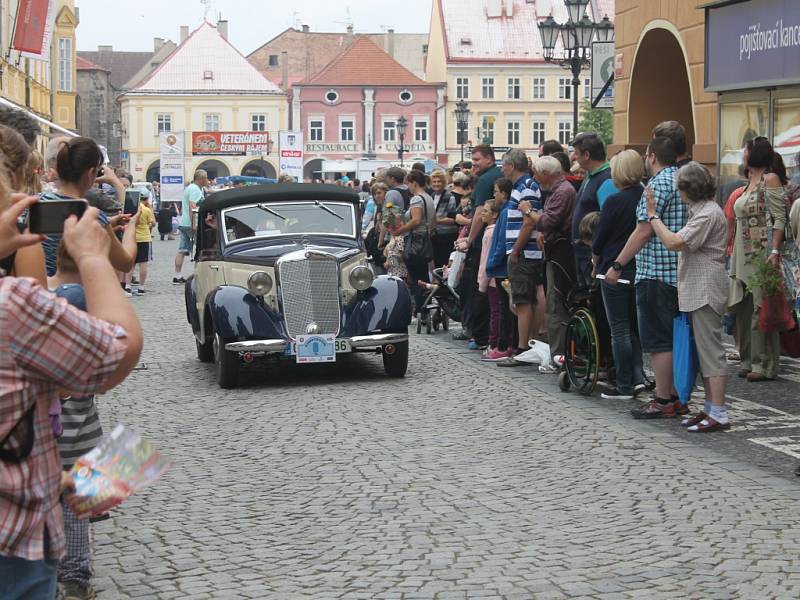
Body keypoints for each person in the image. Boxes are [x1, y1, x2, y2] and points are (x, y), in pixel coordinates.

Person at [0, 195, 143, 600]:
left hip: (46, 439)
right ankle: (77, 575)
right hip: (15, 542)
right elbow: (120, 349)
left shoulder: (46, 294)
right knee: (81, 492)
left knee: (79, 484)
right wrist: (97, 261)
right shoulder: (18, 303)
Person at [605, 136, 688, 419]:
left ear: (651, 156)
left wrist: (617, 264)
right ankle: (677, 395)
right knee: (676, 338)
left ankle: (663, 399)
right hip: (680, 272)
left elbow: (643, 231)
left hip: (656, 272)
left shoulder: (656, 185)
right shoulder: (684, 179)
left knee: (658, 340)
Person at [646, 162, 730, 431]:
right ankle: (709, 408)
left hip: (705, 289)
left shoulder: (707, 214)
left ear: (687, 189)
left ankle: (718, 412)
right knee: (704, 354)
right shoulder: (702, 211)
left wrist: (653, 216)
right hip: (698, 288)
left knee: (711, 353)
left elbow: (673, 242)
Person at [728, 137, 787, 382]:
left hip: (760, 251)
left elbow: (779, 218)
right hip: (742, 250)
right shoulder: (748, 182)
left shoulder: (769, 180)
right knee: (741, 307)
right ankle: (747, 358)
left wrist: (774, 251)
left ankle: (764, 363)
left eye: (747, 150)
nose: (743, 153)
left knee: (759, 307)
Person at [592, 149, 647, 399]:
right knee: (635, 327)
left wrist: (595, 262)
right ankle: (639, 377)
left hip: (614, 268)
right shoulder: (646, 196)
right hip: (640, 266)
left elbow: (599, 239)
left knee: (619, 328)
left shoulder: (615, 200)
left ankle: (624, 384)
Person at [41, 137, 137, 279]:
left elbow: (63, 225)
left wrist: (110, 221)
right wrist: (131, 227)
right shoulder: (93, 217)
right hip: (77, 293)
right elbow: (125, 262)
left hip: (40, 289)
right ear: (91, 173)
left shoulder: (36, 203)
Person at [519, 155, 577, 372]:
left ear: (545, 173)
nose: (534, 177)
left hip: (560, 253)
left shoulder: (562, 191)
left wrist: (527, 211)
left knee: (556, 304)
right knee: (554, 303)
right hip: (556, 250)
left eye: (536, 172)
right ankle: (558, 353)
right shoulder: (559, 190)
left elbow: (547, 221)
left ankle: (558, 355)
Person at [493, 150, 543, 366]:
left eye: (504, 165)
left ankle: (523, 348)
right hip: (523, 251)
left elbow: (529, 222)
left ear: (512, 166)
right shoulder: (522, 187)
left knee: (522, 301)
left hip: (524, 252)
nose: (502, 169)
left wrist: (515, 250)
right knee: (523, 300)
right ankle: (528, 345)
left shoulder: (526, 187)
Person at [455, 145, 501, 349]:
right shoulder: (495, 175)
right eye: (472, 160)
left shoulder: (484, 180)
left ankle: (481, 335)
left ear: (489, 159)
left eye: (477, 160)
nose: (474, 164)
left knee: (480, 287)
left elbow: (480, 211)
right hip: (495, 237)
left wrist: (470, 240)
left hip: (485, 239)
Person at [570, 133, 618, 287]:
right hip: (583, 252)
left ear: (587, 154)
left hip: (593, 255)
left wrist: (595, 255)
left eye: (576, 153)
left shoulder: (606, 179)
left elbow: (608, 220)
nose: (574, 157)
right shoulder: (591, 176)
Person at [388, 169, 435, 317]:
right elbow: (431, 221)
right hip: (426, 238)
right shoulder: (428, 197)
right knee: (423, 276)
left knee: (416, 277)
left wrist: (400, 229)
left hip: (415, 240)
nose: (408, 187)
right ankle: (425, 305)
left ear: (414, 183)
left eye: (408, 183)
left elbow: (416, 220)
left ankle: (421, 307)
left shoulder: (416, 199)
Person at [483, 179, 516, 361]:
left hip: (501, 267)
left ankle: (503, 345)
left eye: (496, 191)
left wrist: (492, 263)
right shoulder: (505, 210)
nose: (494, 195)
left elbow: (502, 242)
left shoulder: (505, 212)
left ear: (504, 193)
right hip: (502, 266)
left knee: (504, 308)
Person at [174, 169, 208, 284]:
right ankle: (200, 274)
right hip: (191, 223)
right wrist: (194, 223)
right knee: (200, 249)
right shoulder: (195, 190)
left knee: (182, 249)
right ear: (201, 179)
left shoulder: (191, 188)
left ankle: (177, 275)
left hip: (184, 222)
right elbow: (192, 207)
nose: (207, 180)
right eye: (206, 178)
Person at [431, 169, 458, 267]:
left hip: (446, 236)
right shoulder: (433, 195)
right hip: (435, 235)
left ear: (444, 183)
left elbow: (453, 219)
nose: (436, 184)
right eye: (434, 182)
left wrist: (437, 220)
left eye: (439, 181)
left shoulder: (450, 197)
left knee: (443, 262)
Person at [132, 190, 155, 295]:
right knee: (143, 263)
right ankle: (141, 287)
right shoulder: (146, 210)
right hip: (144, 238)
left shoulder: (132, 208)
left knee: (131, 263)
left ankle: (127, 286)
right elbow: (152, 223)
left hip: (132, 237)